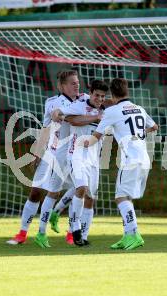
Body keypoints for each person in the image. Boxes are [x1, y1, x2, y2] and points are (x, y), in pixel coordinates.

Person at [6, 70, 89, 248]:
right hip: (52, 154)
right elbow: (45, 129)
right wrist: (36, 153)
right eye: (73, 83)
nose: (77, 85)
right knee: (36, 192)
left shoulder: (85, 100)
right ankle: (22, 233)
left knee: (80, 189)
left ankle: (72, 231)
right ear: (62, 86)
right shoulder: (52, 103)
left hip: (75, 155)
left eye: (77, 82)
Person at [83, 78, 158, 250]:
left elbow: (95, 137)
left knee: (120, 197)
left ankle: (134, 234)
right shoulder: (139, 108)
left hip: (130, 159)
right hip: (144, 159)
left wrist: (82, 145)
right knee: (127, 198)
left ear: (112, 94)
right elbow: (155, 127)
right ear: (127, 92)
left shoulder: (112, 111)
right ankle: (127, 236)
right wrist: (138, 134)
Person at [51, 79, 109, 245]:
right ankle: (74, 226)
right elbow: (69, 119)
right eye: (96, 95)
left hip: (93, 159)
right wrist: (94, 117)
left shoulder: (106, 111)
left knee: (90, 198)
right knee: (81, 188)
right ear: (90, 93)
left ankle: (83, 235)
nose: (99, 99)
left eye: (102, 96)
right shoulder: (80, 105)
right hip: (75, 154)